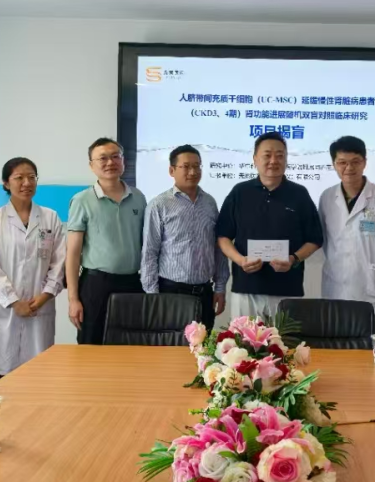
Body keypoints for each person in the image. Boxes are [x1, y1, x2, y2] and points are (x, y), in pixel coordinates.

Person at [216, 132, 323, 319]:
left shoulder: (299, 194)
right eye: (267, 155)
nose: (274, 161)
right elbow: (223, 236)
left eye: (280, 155)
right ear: (255, 159)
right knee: (242, 338)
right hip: (246, 288)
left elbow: (314, 239)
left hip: (287, 288)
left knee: (286, 338)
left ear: (286, 159)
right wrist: (240, 260)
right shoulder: (240, 192)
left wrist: (293, 259)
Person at [0, 158, 66, 380]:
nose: (26, 183)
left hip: (40, 306)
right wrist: (13, 301)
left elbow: (59, 261)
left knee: (38, 375)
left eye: (31, 177)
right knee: (2, 376)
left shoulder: (50, 217)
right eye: (19, 178)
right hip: (4, 310)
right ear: (6, 183)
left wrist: (46, 295)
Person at [318, 136, 375, 337]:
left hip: (371, 283)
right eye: (342, 162)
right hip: (336, 281)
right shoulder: (327, 197)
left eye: (355, 161)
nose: (349, 168)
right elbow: (324, 239)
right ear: (334, 164)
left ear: (365, 162)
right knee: (337, 339)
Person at [66, 138, 146, 344]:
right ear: (91, 165)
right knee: (92, 344)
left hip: (132, 283)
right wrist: (73, 299)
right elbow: (72, 254)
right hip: (96, 285)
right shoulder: (81, 200)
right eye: (103, 158)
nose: (110, 162)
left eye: (115, 156)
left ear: (123, 161)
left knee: (133, 345)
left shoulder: (138, 198)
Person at [141, 145, 228, 330]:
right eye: (186, 166)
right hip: (171, 291)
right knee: (171, 345)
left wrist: (220, 287)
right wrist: (152, 296)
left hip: (204, 292)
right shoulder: (159, 205)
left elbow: (217, 248)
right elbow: (149, 252)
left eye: (197, 166)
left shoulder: (210, 202)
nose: (193, 172)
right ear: (172, 170)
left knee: (203, 345)